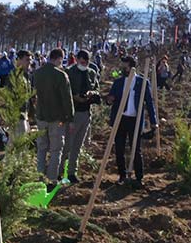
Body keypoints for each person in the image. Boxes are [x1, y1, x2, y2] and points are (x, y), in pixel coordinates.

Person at [106, 55, 157, 186]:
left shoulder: (142, 83)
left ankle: (139, 177)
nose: (123, 69)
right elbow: (110, 99)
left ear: (131, 67)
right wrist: (109, 100)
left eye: (125, 66)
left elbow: (149, 103)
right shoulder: (118, 82)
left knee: (136, 149)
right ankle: (122, 175)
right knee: (119, 148)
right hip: (120, 119)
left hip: (135, 120)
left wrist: (153, 121)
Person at [31, 48, 75, 183]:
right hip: (57, 118)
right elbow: (67, 99)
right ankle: (51, 178)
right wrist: (70, 118)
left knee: (42, 148)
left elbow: (33, 95)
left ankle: (39, 177)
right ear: (59, 59)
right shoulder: (61, 75)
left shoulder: (37, 73)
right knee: (56, 149)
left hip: (41, 116)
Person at [65, 49, 100, 183]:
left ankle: (72, 172)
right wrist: (75, 97)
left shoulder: (91, 72)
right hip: (73, 113)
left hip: (86, 112)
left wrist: (92, 93)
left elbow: (96, 88)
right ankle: (60, 171)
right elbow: (65, 91)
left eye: (86, 62)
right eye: (82, 62)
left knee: (78, 145)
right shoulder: (70, 72)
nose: (84, 64)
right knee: (68, 144)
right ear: (77, 60)